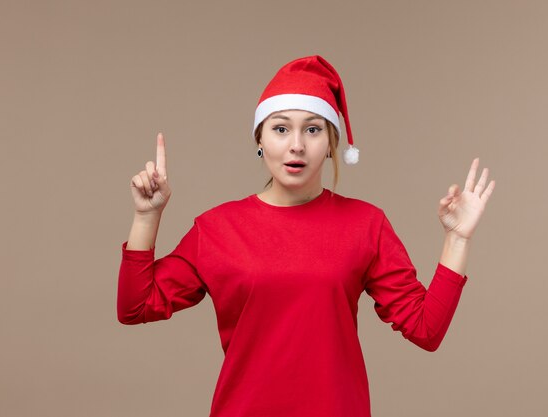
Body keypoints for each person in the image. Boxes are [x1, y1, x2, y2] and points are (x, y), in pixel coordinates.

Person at [117, 55, 495, 417]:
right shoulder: (217, 228)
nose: (296, 144)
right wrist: (146, 217)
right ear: (259, 140)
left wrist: (457, 239)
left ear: (331, 144)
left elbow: (425, 329)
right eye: (281, 128)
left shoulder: (365, 224)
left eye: (312, 129)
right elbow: (135, 308)